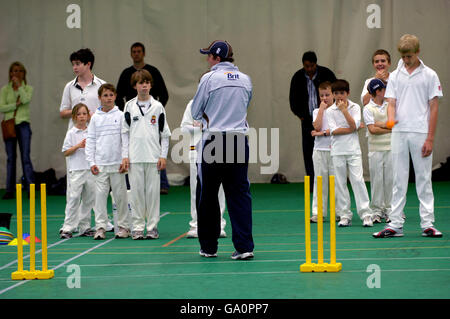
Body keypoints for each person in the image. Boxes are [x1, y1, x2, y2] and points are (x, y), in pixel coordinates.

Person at [373, 34, 443, 238]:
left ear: (418, 52)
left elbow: (434, 107)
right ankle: (395, 224)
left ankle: (428, 224)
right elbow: (391, 102)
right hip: (399, 133)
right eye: (403, 57)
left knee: (423, 178)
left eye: (409, 56)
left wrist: (430, 138)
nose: (406, 60)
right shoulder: (394, 75)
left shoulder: (430, 75)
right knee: (398, 179)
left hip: (421, 132)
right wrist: (392, 120)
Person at [191, 40, 254, 260]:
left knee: (207, 195)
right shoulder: (246, 80)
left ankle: (209, 247)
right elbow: (245, 105)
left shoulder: (209, 79)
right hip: (238, 140)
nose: (207, 59)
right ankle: (244, 247)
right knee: (239, 195)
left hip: (215, 141)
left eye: (209, 56)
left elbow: (195, 112)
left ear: (217, 58)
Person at [59, 48, 106, 236]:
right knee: (74, 190)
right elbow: (62, 111)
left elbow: (108, 110)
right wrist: (79, 113)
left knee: (93, 189)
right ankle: (68, 225)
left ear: (88, 64)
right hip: (75, 141)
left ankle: (87, 225)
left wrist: (92, 116)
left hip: (96, 141)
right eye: (73, 64)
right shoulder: (69, 87)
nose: (75, 68)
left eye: (78, 64)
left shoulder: (101, 85)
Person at [122, 70, 171, 240]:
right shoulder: (129, 106)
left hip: (153, 158)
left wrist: (163, 156)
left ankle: (152, 227)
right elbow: (124, 133)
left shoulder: (158, 106)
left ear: (151, 85)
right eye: (140, 83)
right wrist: (125, 156)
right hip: (134, 158)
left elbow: (165, 134)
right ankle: (137, 227)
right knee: (136, 194)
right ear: (134, 86)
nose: (144, 85)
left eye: (147, 82)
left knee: (152, 194)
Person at [116, 42, 170, 194]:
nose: (136, 54)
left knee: (156, 147)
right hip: (133, 116)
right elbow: (119, 95)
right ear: (131, 54)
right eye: (134, 51)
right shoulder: (126, 74)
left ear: (144, 53)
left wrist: (157, 110)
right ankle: (130, 184)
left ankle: (162, 183)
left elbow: (164, 94)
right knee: (133, 150)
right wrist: (124, 113)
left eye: (139, 51)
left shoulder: (153, 72)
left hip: (152, 116)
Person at [85, 84, 130, 240]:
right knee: (99, 198)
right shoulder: (95, 118)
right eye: (105, 95)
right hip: (101, 165)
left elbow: (125, 139)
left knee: (121, 196)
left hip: (117, 165)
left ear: (115, 96)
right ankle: (100, 227)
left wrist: (125, 158)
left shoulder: (122, 115)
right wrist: (91, 162)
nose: (108, 98)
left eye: (111, 95)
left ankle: (124, 227)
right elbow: (90, 140)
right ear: (99, 98)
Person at [326, 79, 373, 227]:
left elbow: (354, 125)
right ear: (333, 95)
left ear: (348, 93)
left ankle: (366, 214)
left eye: (342, 93)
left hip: (353, 151)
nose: (339, 96)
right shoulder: (329, 111)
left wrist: (344, 111)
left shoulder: (355, 107)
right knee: (339, 183)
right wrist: (352, 128)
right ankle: (344, 215)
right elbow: (335, 131)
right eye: (336, 93)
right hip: (337, 151)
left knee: (358, 181)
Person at [289, 51, 336, 191]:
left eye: (311, 66)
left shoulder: (327, 74)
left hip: (327, 117)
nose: (309, 69)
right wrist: (301, 115)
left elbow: (336, 91)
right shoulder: (298, 77)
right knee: (309, 152)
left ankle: (332, 182)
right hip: (307, 119)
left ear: (316, 63)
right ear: (303, 65)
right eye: (306, 66)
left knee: (331, 149)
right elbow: (293, 98)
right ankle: (312, 184)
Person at [180, 98, 227, 238]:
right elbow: (183, 127)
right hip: (197, 152)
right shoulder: (193, 104)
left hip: (219, 150)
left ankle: (219, 225)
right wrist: (198, 127)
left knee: (219, 190)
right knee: (196, 190)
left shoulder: (222, 101)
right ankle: (196, 225)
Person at [59, 103, 95, 238]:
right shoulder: (71, 133)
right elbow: (66, 152)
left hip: (90, 170)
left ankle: (84, 227)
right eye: (79, 114)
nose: (82, 117)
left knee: (89, 199)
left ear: (88, 116)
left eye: (84, 114)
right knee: (74, 198)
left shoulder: (92, 131)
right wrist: (79, 145)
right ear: (74, 117)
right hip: (76, 170)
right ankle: (67, 227)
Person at [0, 62, 35, 199]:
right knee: (10, 158)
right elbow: (1, 107)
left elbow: (26, 99)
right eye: (14, 71)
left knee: (25, 157)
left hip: (23, 125)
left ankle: (30, 189)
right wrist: (15, 105)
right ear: (10, 73)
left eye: (20, 71)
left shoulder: (28, 88)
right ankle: (10, 189)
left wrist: (20, 87)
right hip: (9, 125)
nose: (17, 73)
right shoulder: (5, 90)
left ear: (23, 73)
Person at [363, 79, 393, 224]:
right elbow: (372, 130)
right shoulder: (368, 108)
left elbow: (394, 124)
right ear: (377, 91)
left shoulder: (389, 105)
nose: (385, 90)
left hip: (390, 147)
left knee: (390, 180)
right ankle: (376, 211)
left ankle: (390, 210)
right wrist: (388, 127)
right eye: (383, 89)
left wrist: (382, 124)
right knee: (376, 181)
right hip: (375, 149)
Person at [310, 82, 334, 223]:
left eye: (327, 95)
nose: (324, 98)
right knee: (319, 182)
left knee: (337, 182)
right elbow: (316, 126)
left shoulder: (338, 110)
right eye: (322, 95)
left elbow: (335, 130)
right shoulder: (316, 111)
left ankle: (340, 212)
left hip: (335, 150)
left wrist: (321, 133)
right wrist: (321, 110)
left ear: (333, 95)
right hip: (319, 151)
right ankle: (318, 212)